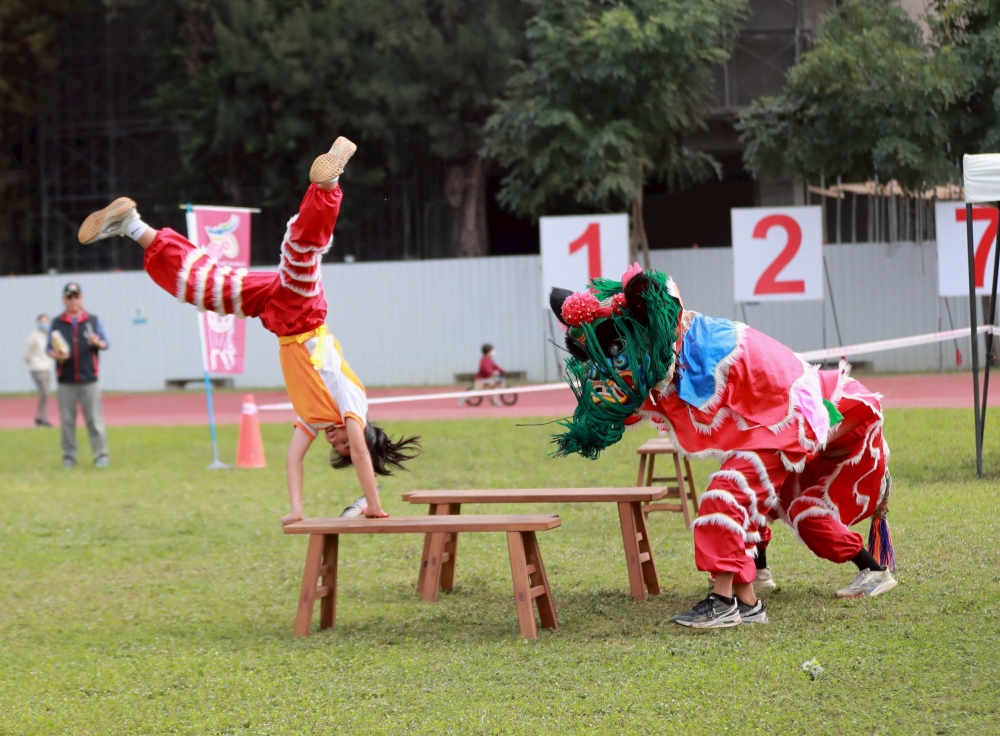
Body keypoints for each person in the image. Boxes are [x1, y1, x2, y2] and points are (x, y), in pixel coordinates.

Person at [76, 136, 421, 523]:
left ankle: (132, 225)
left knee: (209, 289)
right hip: (304, 315)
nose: (337, 440)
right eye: (344, 441)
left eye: (335, 447)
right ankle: (329, 184)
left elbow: (293, 458)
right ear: (363, 432)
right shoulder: (353, 405)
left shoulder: (315, 416)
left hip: (276, 316)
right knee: (300, 251)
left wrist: (296, 509)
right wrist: (373, 506)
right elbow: (361, 452)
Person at [548, 263, 897, 628]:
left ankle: (723, 602)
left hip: (785, 421)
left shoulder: (702, 346)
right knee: (749, 503)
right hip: (769, 427)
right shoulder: (681, 349)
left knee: (728, 498)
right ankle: (746, 601)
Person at [47, 282, 110, 468]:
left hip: (89, 379)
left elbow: (105, 343)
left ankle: (101, 456)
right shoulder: (57, 322)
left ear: (81, 298)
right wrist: (57, 355)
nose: (73, 301)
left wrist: (97, 342)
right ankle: (69, 457)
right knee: (67, 423)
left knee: (95, 421)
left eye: (76, 297)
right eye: (69, 297)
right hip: (66, 380)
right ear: (64, 299)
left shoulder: (92, 320)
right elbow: (49, 348)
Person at [24, 313, 55, 427]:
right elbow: (27, 353)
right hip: (37, 367)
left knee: (45, 394)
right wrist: (32, 362)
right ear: (38, 323)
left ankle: (41, 419)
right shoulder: (34, 336)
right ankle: (41, 419)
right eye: (42, 321)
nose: (44, 324)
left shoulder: (50, 336)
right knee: (45, 393)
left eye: (46, 321)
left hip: (47, 367)